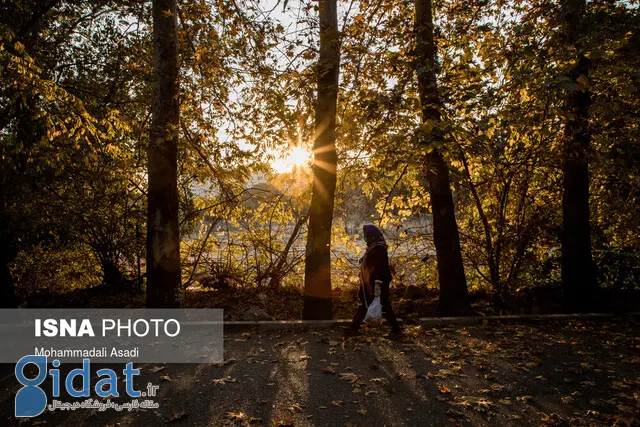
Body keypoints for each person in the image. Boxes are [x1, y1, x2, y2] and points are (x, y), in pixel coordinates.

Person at [348, 224, 402, 337]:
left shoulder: (379, 248)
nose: (366, 239)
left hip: (377, 282)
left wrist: (377, 283)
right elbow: (370, 261)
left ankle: (354, 328)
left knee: (370, 303)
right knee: (377, 303)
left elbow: (377, 266)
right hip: (373, 280)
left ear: (374, 237)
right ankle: (396, 330)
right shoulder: (376, 247)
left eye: (368, 237)